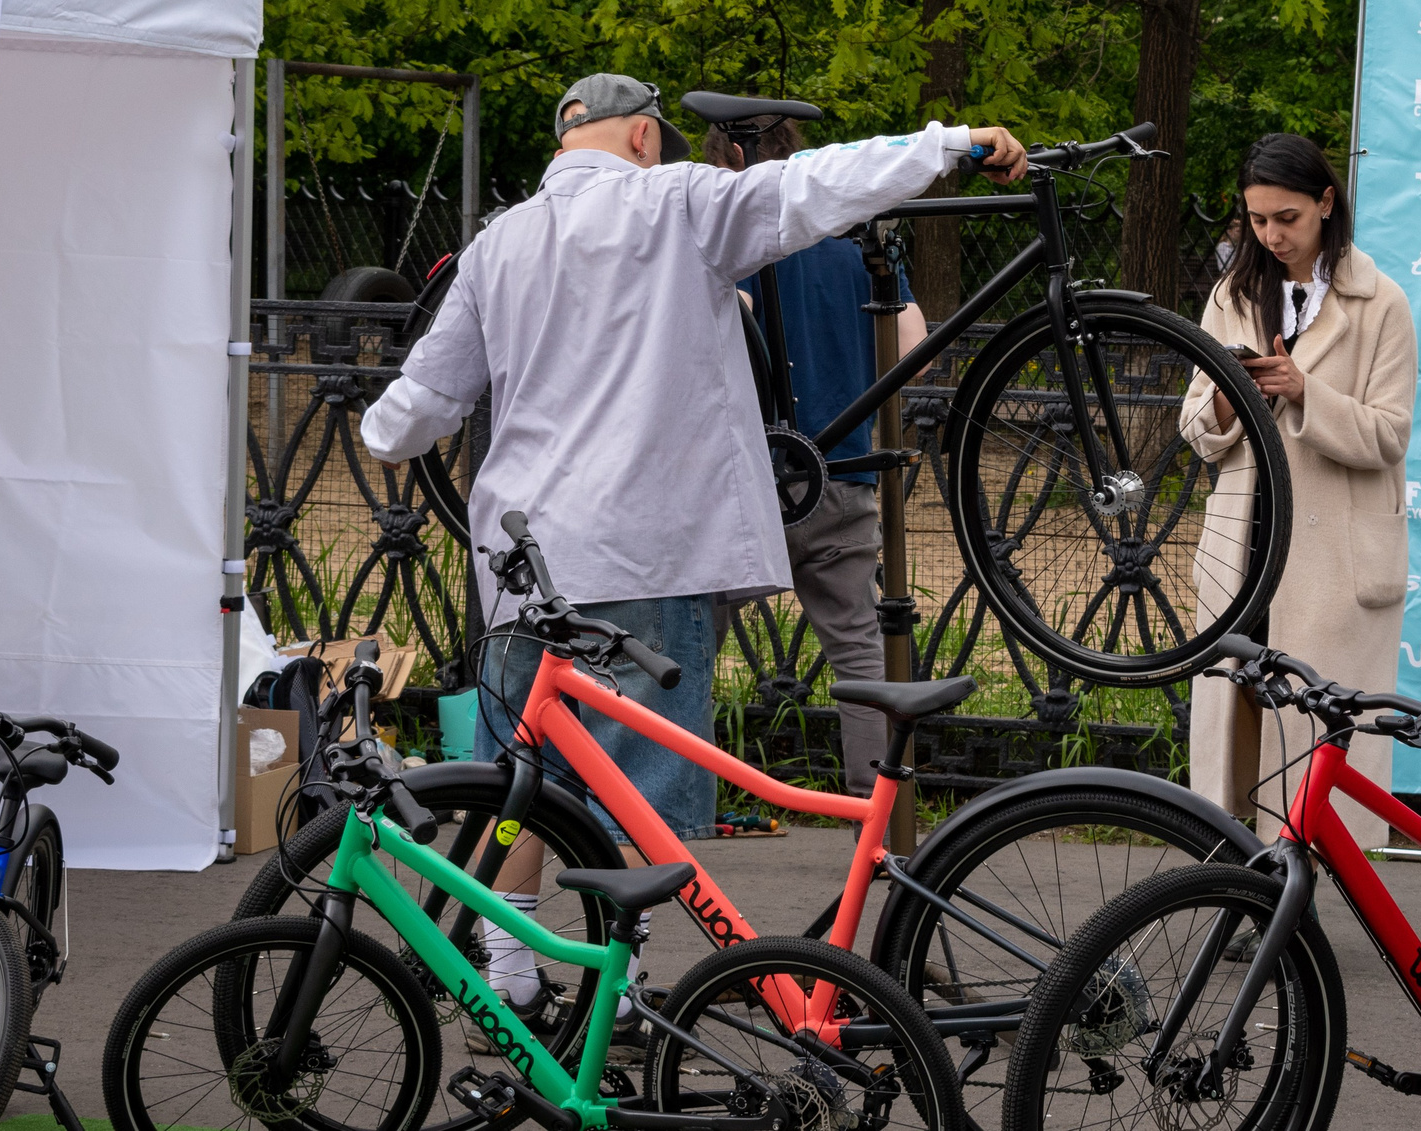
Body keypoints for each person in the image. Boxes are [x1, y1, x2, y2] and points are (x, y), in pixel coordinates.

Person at [362, 73, 1023, 1012]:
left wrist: (374, 432)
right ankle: (613, 991)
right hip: (645, 550)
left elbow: (417, 408)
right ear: (641, 138)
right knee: (630, 796)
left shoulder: (497, 244)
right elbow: (813, 185)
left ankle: (508, 980)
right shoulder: (677, 204)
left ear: (564, 143)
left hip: (522, 561)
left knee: (524, 779)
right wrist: (946, 142)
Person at [1180, 132, 1415, 844]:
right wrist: (1232, 390)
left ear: (1325, 203)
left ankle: (1297, 900)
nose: (1272, 234)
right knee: (1242, 736)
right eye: (1257, 219)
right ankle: (1248, 893)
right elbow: (1195, 425)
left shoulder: (1383, 303)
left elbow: (1389, 433)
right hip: (1245, 546)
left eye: (1288, 217)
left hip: (1331, 562)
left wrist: (1307, 393)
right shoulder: (1232, 296)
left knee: (1312, 739)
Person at [712, 118, 926, 791]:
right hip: (846, 465)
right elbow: (913, 347)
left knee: (692, 634)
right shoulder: (856, 233)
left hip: (752, 471)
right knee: (860, 642)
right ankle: (881, 801)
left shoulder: (732, 234)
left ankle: (670, 801)